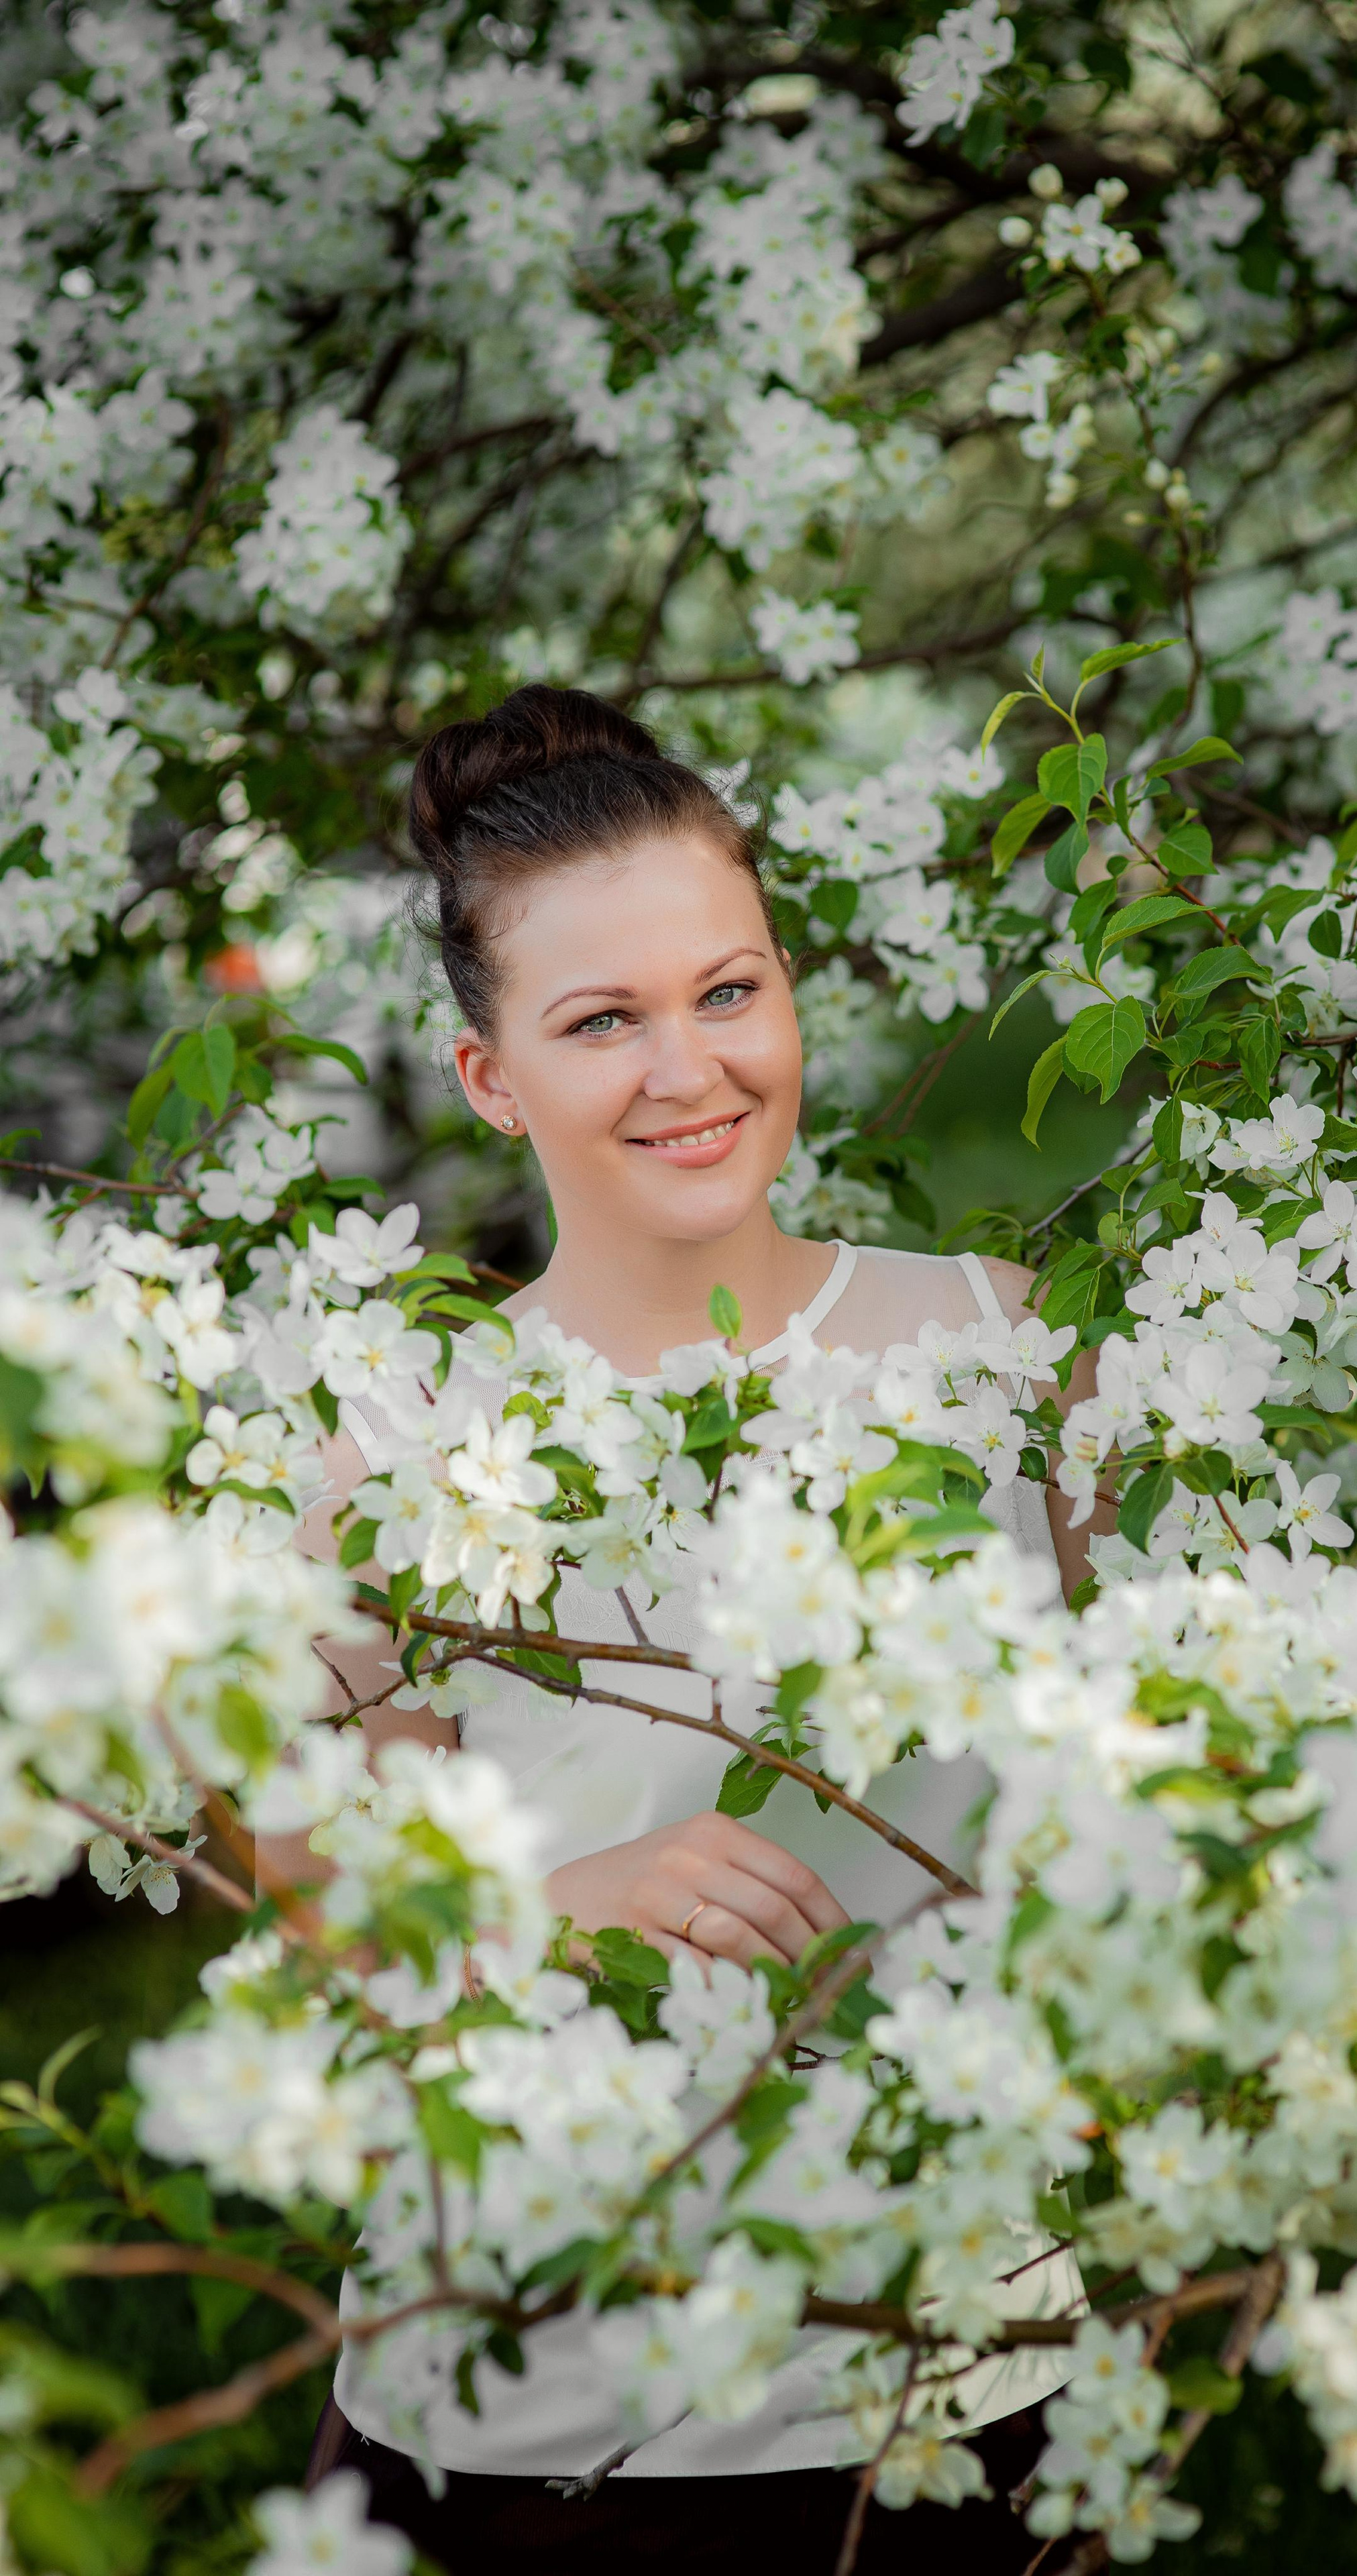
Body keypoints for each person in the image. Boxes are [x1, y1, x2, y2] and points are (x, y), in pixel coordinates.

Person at [289, 686, 1096, 2573]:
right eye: (601, 1022)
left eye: (730, 992)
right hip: (532, 2421)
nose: (691, 1070)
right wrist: (554, 1906)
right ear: (491, 1078)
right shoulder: (401, 1438)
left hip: (939, 2378)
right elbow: (333, 1935)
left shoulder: (1006, 1352)